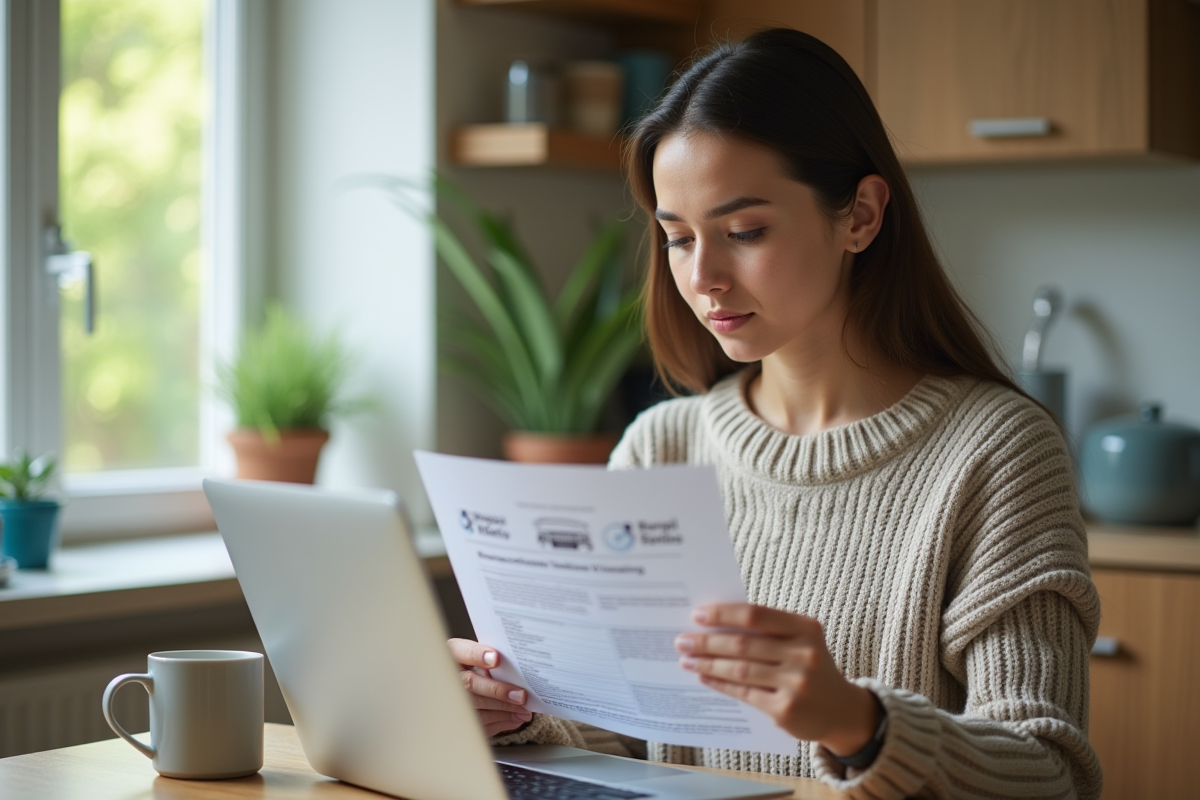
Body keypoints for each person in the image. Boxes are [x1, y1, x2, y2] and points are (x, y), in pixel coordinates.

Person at [450, 28, 1101, 800]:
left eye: (745, 232)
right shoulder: (663, 447)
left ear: (860, 215)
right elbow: (625, 737)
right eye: (678, 239)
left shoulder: (996, 453)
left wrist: (861, 724)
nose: (704, 278)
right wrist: (516, 714)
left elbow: (1051, 771)